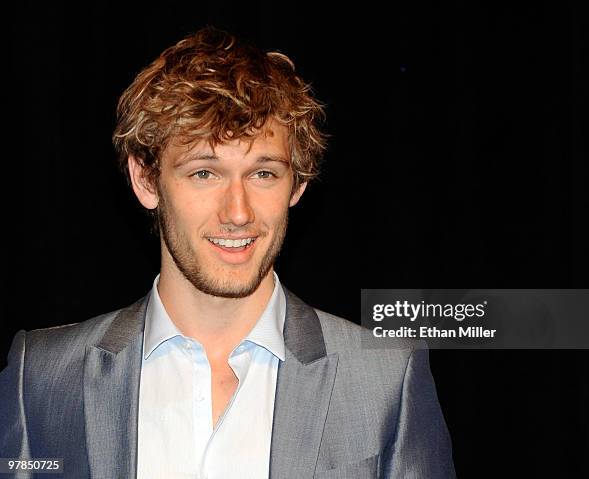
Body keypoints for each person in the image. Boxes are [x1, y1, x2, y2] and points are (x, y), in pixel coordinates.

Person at [0, 26, 455, 478]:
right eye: (204, 173)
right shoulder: (41, 376)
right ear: (145, 180)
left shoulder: (384, 380)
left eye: (263, 174)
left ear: (297, 184)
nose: (237, 212)